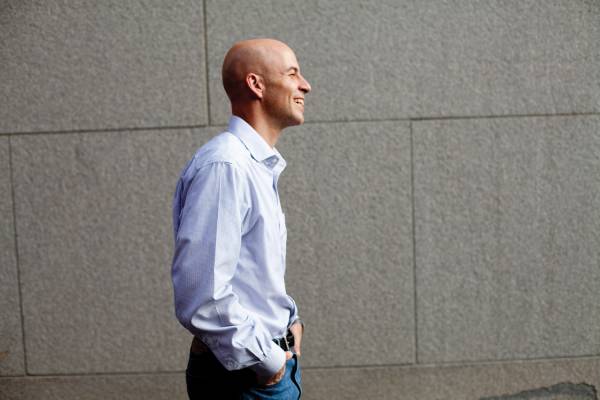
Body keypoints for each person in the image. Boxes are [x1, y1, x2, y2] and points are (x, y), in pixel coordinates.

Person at [171, 38, 311, 399]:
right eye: (293, 74)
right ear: (256, 84)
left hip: (261, 370)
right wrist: (269, 361)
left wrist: (288, 320)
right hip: (245, 379)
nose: (305, 85)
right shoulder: (226, 166)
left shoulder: (252, 165)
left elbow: (250, 273)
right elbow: (202, 296)